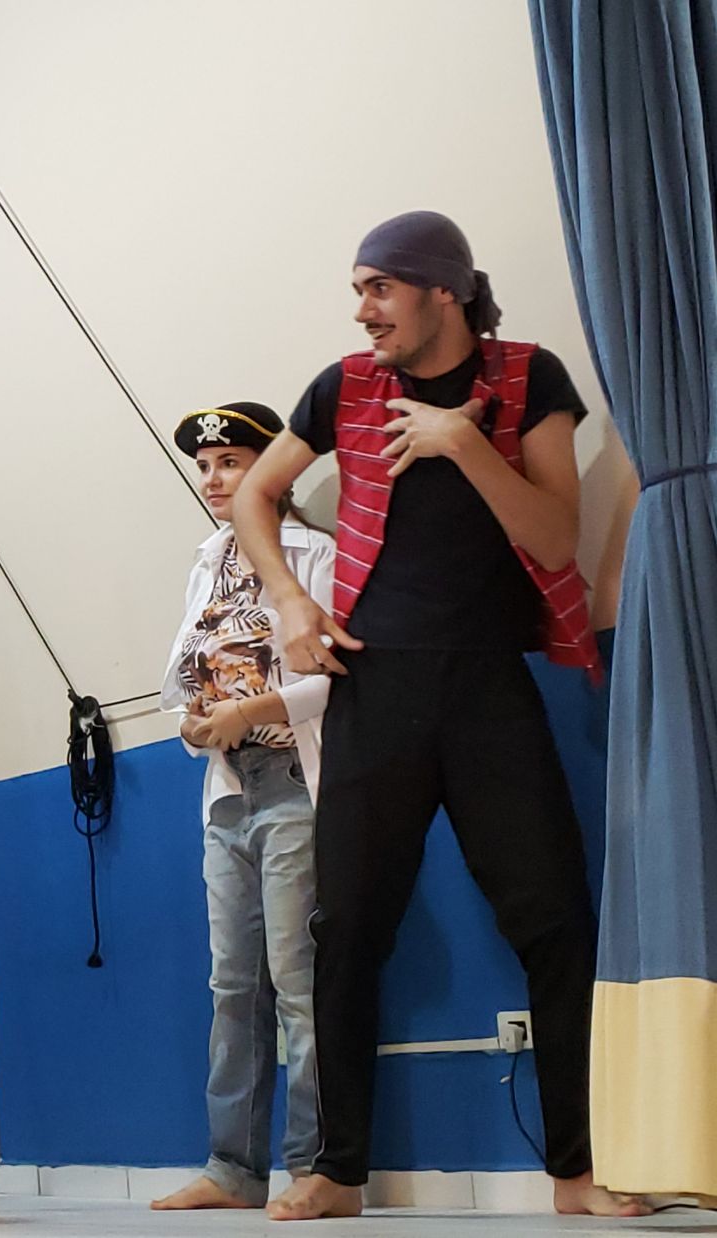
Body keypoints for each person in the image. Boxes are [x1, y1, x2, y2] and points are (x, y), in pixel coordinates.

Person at [232, 211, 647, 1221]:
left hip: (489, 687)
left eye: (379, 287)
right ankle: (337, 1171)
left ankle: (575, 1172)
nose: (362, 309)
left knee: (557, 921)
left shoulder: (527, 378)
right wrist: (291, 603)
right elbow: (255, 496)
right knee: (344, 927)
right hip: (374, 686)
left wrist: (462, 441)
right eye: (358, 289)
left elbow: (554, 537)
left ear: (442, 290)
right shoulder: (342, 386)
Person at [151, 404, 332, 1212]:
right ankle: (233, 1168)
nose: (212, 478)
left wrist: (252, 712)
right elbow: (186, 676)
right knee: (232, 984)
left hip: (294, 784)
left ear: (273, 468)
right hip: (229, 790)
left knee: (298, 983)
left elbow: (332, 678)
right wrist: (196, 723)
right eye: (204, 465)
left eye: (230, 461)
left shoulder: (313, 554)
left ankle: (317, 1166)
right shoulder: (208, 563)